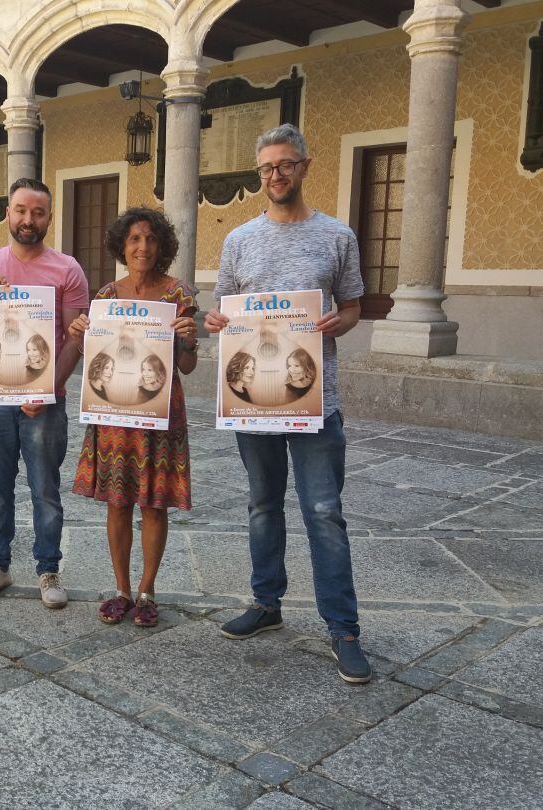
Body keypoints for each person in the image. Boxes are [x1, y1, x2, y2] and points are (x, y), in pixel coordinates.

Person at [204, 123, 370, 684]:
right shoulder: (239, 240)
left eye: (285, 165)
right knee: (261, 503)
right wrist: (216, 321)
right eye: (267, 168)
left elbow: (352, 306)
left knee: (323, 512)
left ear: (304, 166)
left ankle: (343, 628)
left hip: (315, 400)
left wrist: (336, 322)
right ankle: (266, 602)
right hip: (253, 402)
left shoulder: (337, 236)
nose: (276, 175)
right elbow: (222, 311)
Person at [0, 178, 89, 609]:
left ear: (49, 217)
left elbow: (74, 339)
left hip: (44, 402)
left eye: (37, 212)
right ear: (7, 213)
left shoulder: (67, 269)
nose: (28, 220)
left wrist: (48, 390)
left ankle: (48, 568)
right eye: (20, 210)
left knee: (45, 489)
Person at [69, 207, 198, 627]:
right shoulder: (106, 297)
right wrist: (81, 335)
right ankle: (121, 588)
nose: (142, 247)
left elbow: (188, 366)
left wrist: (190, 343)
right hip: (114, 415)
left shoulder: (178, 296)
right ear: (122, 246)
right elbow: (98, 363)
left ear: (162, 246)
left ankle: (147, 590)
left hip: (160, 414)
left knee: (154, 505)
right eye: (134, 240)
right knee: (117, 502)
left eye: (150, 239)